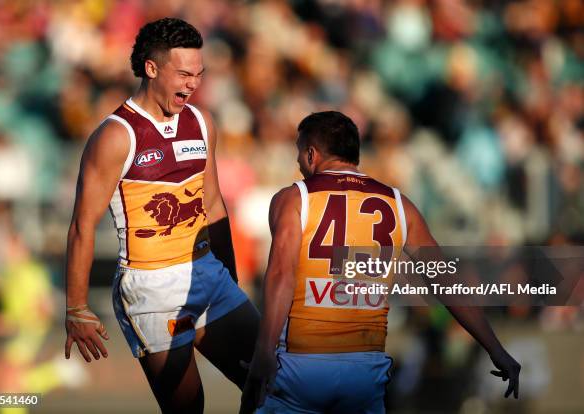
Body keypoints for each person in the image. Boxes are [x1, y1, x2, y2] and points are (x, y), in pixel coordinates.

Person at [240, 111, 520, 413]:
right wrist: (495, 348)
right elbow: (445, 281)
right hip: (365, 371)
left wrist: (264, 351)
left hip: (302, 365)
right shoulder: (400, 205)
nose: (297, 162)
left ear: (311, 154)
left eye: (299, 152)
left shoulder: (293, 199)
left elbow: (282, 274)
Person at [64, 18, 259, 413]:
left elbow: (214, 203)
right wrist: (76, 308)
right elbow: (83, 226)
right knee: (189, 408)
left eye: (199, 75)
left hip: (207, 272)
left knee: (273, 381)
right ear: (151, 69)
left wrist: (231, 280)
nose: (192, 84)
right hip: (151, 289)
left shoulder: (202, 122)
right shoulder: (115, 135)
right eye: (183, 74)